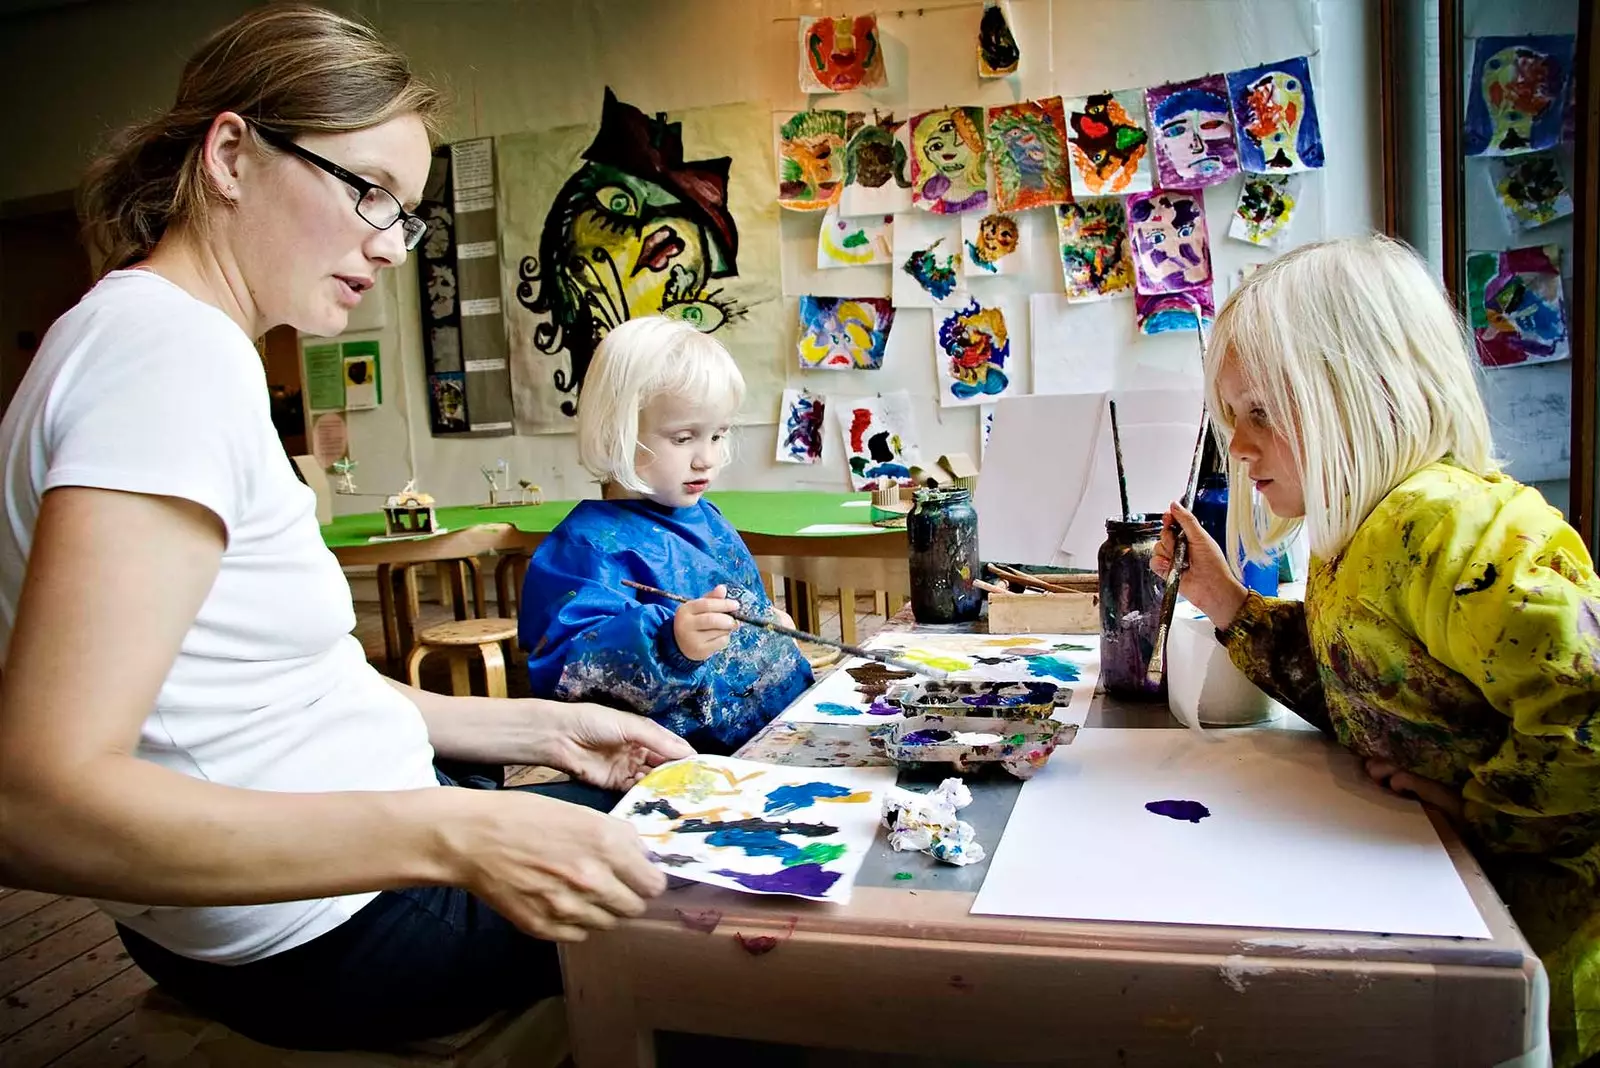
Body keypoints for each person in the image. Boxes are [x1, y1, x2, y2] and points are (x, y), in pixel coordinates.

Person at [0, 4, 694, 1052]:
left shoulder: (148, 340)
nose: (390, 246)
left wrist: (541, 731)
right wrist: (456, 832)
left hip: (329, 884)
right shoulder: (167, 356)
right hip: (324, 930)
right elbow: (38, 809)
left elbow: (280, 695)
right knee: (750, 893)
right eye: (368, 192)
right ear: (231, 154)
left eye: (405, 215)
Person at [1153, 234, 1600, 1067]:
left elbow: (1589, 710)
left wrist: (1483, 810)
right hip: (1455, 905)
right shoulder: (1351, 539)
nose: (1238, 446)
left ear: (1358, 395)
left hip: (1549, 940)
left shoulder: (1447, 525)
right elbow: (1349, 677)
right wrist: (1229, 606)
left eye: (1260, 412)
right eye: (1230, 418)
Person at [518, 316, 814, 755]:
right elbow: (566, 673)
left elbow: (736, 607)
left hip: (772, 739)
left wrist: (768, 629)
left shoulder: (707, 518)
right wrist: (668, 645)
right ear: (616, 430)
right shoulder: (585, 548)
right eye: (683, 438)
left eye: (717, 435)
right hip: (677, 768)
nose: (707, 459)